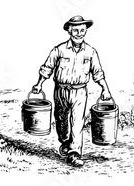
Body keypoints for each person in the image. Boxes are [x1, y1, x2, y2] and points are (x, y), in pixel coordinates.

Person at [32, 15, 112, 167]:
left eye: (82, 30)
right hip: (60, 90)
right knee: (61, 121)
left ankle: (74, 153)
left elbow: (98, 73)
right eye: (76, 30)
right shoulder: (59, 50)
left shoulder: (91, 52)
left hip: (80, 92)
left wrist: (105, 89)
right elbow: (47, 68)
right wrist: (39, 84)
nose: (79, 33)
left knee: (77, 122)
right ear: (69, 30)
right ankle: (65, 141)